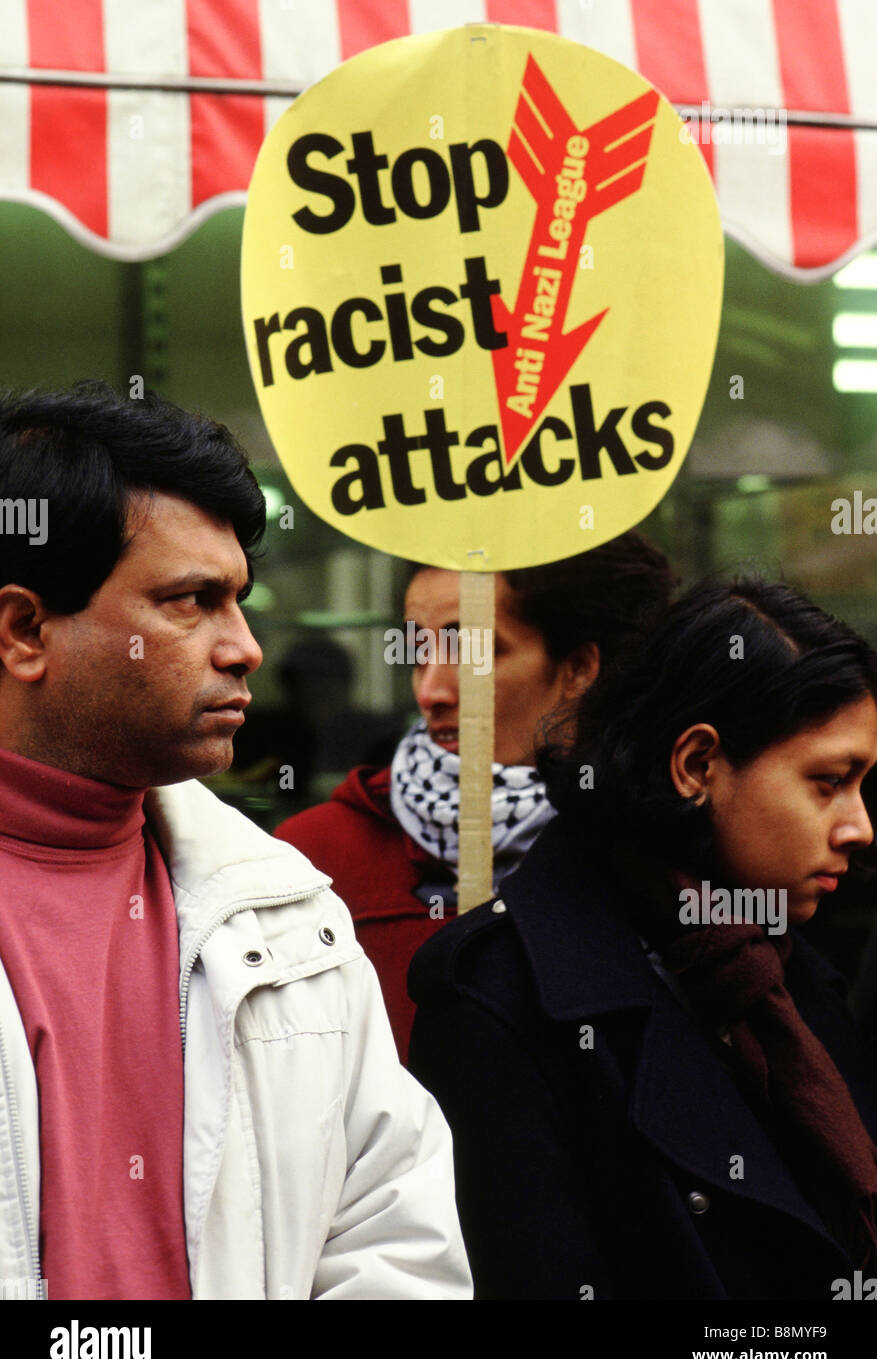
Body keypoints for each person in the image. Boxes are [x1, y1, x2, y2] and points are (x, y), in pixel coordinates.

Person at [0, 382, 471, 1301]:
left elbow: (392, 1231)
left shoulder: (286, 912)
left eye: (240, 601)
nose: (245, 646)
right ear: (25, 630)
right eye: (191, 602)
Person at [408, 576, 877, 1299]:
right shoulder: (500, 994)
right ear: (696, 766)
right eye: (827, 782)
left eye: (860, 785)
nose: (858, 827)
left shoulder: (784, 969)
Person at [275, 536, 675, 1061]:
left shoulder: (667, 852)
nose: (430, 691)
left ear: (578, 669)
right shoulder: (316, 858)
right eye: (419, 651)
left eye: (470, 649)